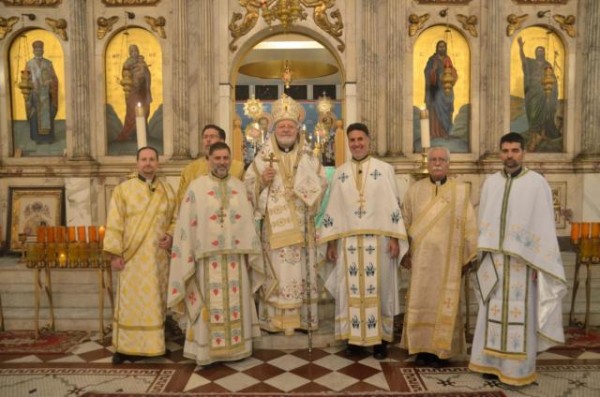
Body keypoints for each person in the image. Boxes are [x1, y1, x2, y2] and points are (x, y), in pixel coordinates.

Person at [468, 132, 567, 385]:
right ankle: (489, 364)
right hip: (495, 262)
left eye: (514, 150)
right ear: (500, 153)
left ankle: (517, 370)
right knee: (491, 310)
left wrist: (540, 264)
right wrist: (481, 253)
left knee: (521, 315)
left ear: (523, 153)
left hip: (524, 264)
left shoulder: (536, 183)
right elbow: (484, 221)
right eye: (505, 151)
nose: (510, 156)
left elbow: (543, 225)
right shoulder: (491, 183)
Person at [167, 142, 264, 366]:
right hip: (206, 261)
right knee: (208, 306)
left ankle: (237, 349)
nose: (222, 162)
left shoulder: (240, 187)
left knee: (236, 302)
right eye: (217, 158)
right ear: (208, 159)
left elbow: (249, 221)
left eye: (225, 158)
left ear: (231, 160)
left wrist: (251, 254)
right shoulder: (196, 188)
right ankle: (206, 352)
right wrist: (188, 254)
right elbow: (186, 225)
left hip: (235, 260)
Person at [318, 122, 408, 359]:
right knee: (350, 290)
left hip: (378, 242)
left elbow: (392, 205)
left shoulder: (384, 169)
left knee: (380, 288)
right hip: (348, 243)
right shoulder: (340, 172)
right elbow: (334, 210)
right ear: (348, 143)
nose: (357, 144)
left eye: (360, 139)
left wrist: (395, 238)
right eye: (352, 140)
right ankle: (354, 340)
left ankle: (380, 342)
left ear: (369, 141)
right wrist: (330, 243)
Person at [244, 94, 325, 336]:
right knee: (277, 272)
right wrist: (260, 181)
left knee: (301, 272)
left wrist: (310, 189)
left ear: (297, 128)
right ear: (274, 129)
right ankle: (275, 321)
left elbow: (322, 182)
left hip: (302, 228)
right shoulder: (262, 157)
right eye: (282, 126)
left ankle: (302, 320)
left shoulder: (309, 156)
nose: (286, 129)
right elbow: (247, 187)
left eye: (290, 125)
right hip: (275, 230)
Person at [399, 146, 478, 366]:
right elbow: (404, 221)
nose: (436, 163)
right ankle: (421, 350)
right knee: (420, 301)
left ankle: (442, 352)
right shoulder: (414, 190)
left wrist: (468, 257)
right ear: (428, 163)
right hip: (421, 260)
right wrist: (405, 253)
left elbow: (470, 225)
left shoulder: (460, 191)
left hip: (448, 263)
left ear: (448, 164)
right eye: (433, 159)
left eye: (441, 159)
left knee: (444, 304)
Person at [103, 146, 177, 364]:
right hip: (131, 259)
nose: (147, 163)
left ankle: (156, 345)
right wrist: (114, 254)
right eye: (143, 159)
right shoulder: (123, 190)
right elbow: (114, 222)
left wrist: (171, 236)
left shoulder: (168, 190)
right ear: (137, 163)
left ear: (157, 163)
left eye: (152, 159)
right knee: (129, 303)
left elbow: (175, 218)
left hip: (157, 259)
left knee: (155, 302)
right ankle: (125, 348)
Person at [177, 124, 245, 207]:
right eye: (205, 137)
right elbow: (182, 200)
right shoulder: (190, 169)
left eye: (212, 136)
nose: (208, 140)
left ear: (222, 141)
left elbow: (244, 197)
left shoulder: (238, 168)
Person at [517, 37, 560, 149]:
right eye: (538, 51)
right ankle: (533, 137)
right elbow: (523, 60)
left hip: (544, 93)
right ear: (535, 53)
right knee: (533, 114)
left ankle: (541, 135)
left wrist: (552, 90)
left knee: (545, 114)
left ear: (544, 53)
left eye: (541, 51)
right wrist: (521, 47)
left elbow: (552, 79)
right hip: (532, 94)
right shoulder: (531, 62)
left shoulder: (547, 64)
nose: (539, 53)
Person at [24, 40, 59, 144]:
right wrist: (30, 84)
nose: (38, 51)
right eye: (36, 49)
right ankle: (37, 138)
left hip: (46, 94)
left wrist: (50, 82)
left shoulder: (48, 63)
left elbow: (54, 78)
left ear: (43, 50)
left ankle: (48, 138)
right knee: (35, 116)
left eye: (40, 49)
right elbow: (25, 78)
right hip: (34, 94)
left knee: (47, 115)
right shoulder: (29, 64)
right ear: (33, 50)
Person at [116, 44, 152, 142]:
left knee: (144, 111)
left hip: (142, 92)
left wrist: (143, 74)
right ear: (130, 53)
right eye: (132, 51)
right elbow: (125, 74)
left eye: (136, 51)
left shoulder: (143, 63)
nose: (134, 53)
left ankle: (141, 134)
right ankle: (127, 134)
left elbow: (147, 75)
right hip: (133, 91)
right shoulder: (128, 63)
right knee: (132, 112)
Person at [424, 40, 457, 139]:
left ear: (445, 48)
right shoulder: (432, 60)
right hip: (436, 88)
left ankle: (445, 132)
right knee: (435, 107)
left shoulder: (448, 59)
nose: (441, 48)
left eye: (443, 47)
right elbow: (426, 72)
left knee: (447, 108)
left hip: (446, 89)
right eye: (440, 47)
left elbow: (452, 71)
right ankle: (434, 132)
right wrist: (432, 71)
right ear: (437, 48)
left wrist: (452, 73)